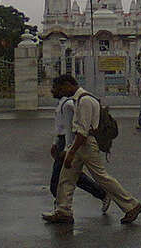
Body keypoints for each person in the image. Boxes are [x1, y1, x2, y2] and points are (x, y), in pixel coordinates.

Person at [42, 75, 141, 225]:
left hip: (85, 144)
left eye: (61, 88)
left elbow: (83, 132)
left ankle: (132, 205)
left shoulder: (84, 101)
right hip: (81, 142)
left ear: (68, 84)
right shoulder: (79, 99)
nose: (60, 92)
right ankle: (63, 211)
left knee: (102, 177)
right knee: (66, 178)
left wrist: (70, 152)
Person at [48, 76, 111, 213]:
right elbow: (60, 125)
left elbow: (72, 128)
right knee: (71, 176)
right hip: (62, 141)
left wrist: (68, 148)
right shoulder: (62, 104)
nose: (52, 91)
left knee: (60, 179)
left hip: (68, 142)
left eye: (55, 88)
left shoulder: (70, 104)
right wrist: (55, 142)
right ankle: (62, 208)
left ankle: (62, 208)